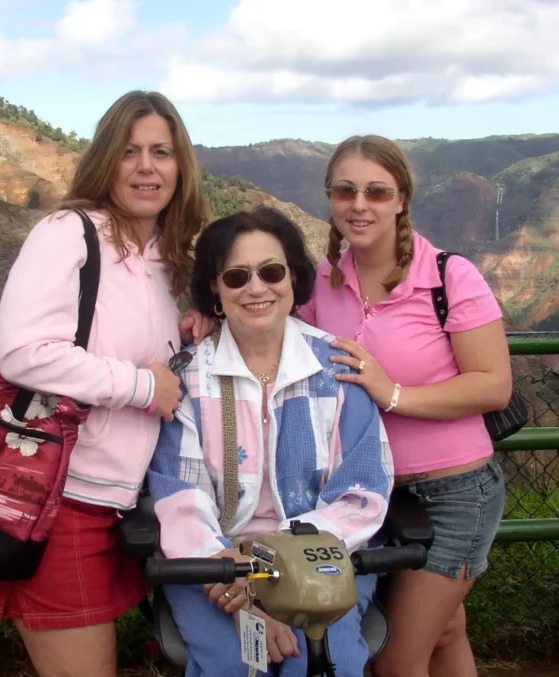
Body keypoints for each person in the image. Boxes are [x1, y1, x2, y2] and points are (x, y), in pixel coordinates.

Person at [0, 90, 213, 677]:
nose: (146, 166)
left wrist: (197, 327)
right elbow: (23, 352)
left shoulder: (161, 258)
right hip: (60, 497)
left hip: (118, 502)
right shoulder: (68, 232)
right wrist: (140, 386)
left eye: (161, 151)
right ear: (106, 160)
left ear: (181, 167)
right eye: (130, 151)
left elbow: (129, 343)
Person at [147, 207, 395, 677]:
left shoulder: (338, 369)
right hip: (214, 564)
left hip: (322, 555)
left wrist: (276, 566)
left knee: (324, 665)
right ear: (216, 293)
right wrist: (236, 582)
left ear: (293, 280)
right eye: (237, 276)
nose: (256, 288)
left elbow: (363, 487)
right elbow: (180, 494)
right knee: (241, 667)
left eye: (271, 271)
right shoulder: (189, 379)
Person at [296, 135, 511, 677]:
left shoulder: (447, 275)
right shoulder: (324, 280)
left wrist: (393, 393)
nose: (360, 204)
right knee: (444, 633)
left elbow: (493, 385)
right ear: (330, 198)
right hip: (368, 493)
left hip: (453, 492)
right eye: (345, 191)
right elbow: (267, 318)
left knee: (394, 659)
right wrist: (204, 315)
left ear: (401, 199)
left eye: (376, 191)